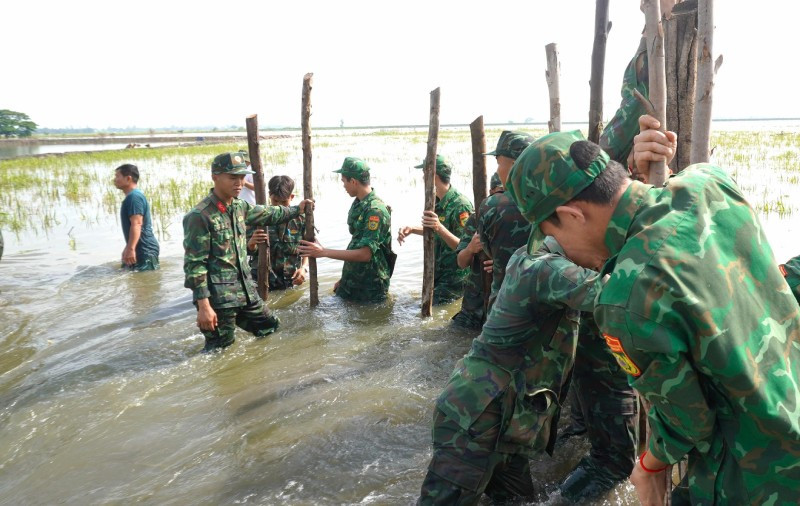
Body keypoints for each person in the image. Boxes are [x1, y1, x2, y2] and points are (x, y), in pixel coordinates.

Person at [505, 126, 800, 504]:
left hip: (758, 478)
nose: (564, 252)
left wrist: (649, 465)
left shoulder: (625, 300)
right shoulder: (710, 181)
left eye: (555, 239)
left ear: (572, 215)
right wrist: (653, 173)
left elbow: (689, 423)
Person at [418, 236, 603, 505]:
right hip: (478, 419)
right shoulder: (545, 267)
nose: (602, 260)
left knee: (519, 501)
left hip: (509, 422)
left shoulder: (533, 255)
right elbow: (622, 295)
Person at [183, 152, 312, 351]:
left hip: (246, 292)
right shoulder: (200, 216)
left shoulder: (239, 207)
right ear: (215, 177)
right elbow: (194, 265)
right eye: (233, 177)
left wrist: (298, 209)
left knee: (271, 327)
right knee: (220, 351)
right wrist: (204, 306)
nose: (239, 183)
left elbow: (271, 213)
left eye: (242, 177)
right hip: (220, 300)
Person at [297, 157, 394, 302]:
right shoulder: (359, 203)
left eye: (344, 181)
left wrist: (323, 252)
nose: (343, 186)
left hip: (369, 286)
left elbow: (365, 254)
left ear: (353, 181)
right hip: (353, 279)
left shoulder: (375, 211)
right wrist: (345, 278)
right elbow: (356, 242)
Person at [397, 155, 474, 304]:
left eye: (424, 173)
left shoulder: (460, 205)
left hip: (454, 280)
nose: (422, 178)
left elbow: (466, 247)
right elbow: (436, 231)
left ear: (434, 176)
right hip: (437, 275)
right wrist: (412, 229)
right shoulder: (436, 200)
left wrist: (439, 227)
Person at [477, 131, 534, 302]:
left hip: (506, 303)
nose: (497, 170)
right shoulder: (557, 200)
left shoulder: (492, 205)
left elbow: (487, 249)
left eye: (499, 163)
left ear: (515, 166)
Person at [451, 172, 503, 330]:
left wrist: (502, 264)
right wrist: (470, 249)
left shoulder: (522, 216)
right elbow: (461, 262)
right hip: (473, 304)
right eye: (499, 193)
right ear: (491, 193)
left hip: (502, 302)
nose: (502, 198)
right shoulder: (476, 218)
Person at [247, 175, 308, 290]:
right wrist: (251, 243)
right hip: (260, 278)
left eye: (284, 202)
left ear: (291, 197)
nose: (279, 206)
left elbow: (308, 247)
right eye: (275, 201)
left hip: (289, 279)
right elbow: (245, 250)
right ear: (269, 195)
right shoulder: (259, 218)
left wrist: (303, 268)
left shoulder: (301, 219)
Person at [113, 163, 160, 271]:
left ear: (128, 178)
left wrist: (130, 248)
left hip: (145, 249)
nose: (115, 180)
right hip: (139, 248)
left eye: (117, 176)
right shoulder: (132, 196)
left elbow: (137, 224)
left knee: (146, 280)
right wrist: (128, 247)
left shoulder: (134, 197)